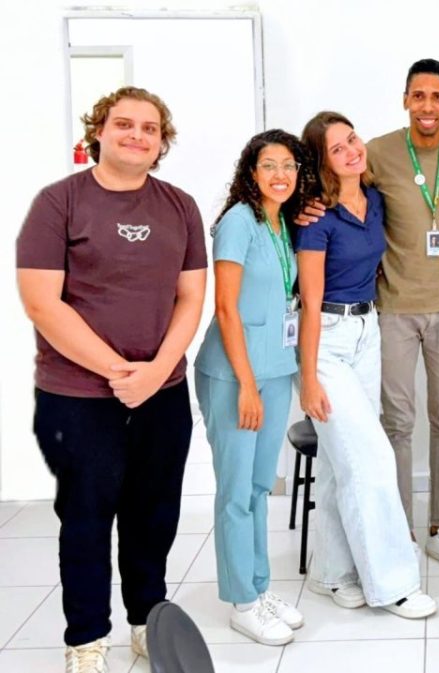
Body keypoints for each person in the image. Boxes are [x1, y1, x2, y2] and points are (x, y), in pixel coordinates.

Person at [16, 86, 206, 672]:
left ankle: (146, 621)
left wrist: (157, 372)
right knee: (86, 519)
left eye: (150, 128)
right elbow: (42, 302)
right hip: (77, 397)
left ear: (162, 142)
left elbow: (191, 296)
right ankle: (86, 640)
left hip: (162, 392)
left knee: (154, 514)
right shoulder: (59, 203)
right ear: (98, 130)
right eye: (124, 124)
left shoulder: (180, 206)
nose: (137, 135)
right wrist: (118, 372)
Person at [298, 60, 439, 576]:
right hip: (393, 312)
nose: (427, 105)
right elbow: (334, 187)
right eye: (418, 95)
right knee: (397, 424)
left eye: (437, 96)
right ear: (405, 100)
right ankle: (400, 529)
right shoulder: (377, 151)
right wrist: (303, 207)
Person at [297, 111, 436, 619]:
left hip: (368, 329)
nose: (352, 150)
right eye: (337, 148)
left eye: (352, 139)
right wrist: (308, 377)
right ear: (322, 161)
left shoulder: (373, 200)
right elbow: (309, 304)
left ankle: (331, 573)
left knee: (341, 462)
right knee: (372, 457)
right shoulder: (316, 218)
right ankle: (394, 585)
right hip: (327, 339)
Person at [193, 130, 308, 645]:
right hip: (234, 376)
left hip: (275, 370)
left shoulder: (281, 222)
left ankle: (260, 587)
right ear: (251, 171)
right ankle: (242, 600)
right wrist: (245, 385)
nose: (280, 175)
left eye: (289, 165)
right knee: (237, 491)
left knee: (261, 487)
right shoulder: (238, 222)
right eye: (269, 165)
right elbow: (225, 308)